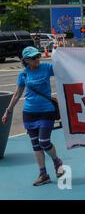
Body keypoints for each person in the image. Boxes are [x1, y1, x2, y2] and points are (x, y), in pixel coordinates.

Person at [1, 46, 64, 186]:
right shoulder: (23, 74)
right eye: (34, 57)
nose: (37, 58)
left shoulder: (47, 68)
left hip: (46, 112)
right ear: (26, 60)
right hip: (29, 113)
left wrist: (63, 54)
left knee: (44, 142)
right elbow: (17, 94)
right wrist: (8, 111)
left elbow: (64, 70)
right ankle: (43, 174)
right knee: (36, 145)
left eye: (38, 55)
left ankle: (57, 161)